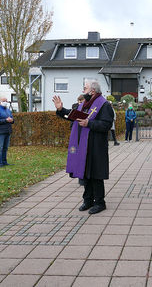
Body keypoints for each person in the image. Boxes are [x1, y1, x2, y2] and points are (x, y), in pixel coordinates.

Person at [53, 81, 113, 214]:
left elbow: (106, 125)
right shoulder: (83, 105)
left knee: (96, 174)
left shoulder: (104, 105)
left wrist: (89, 123)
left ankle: (99, 202)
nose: (83, 90)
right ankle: (88, 200)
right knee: (85, 173)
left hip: (96, 146)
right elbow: (73, 116)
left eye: (84, 88)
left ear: (92, 91)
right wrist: (60, 109)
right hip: (83, 145)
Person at [0, 97, 14, 167]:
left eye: (6, 101)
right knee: (0, 148)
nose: (5, 102)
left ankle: (4, 162)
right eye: (3, 101)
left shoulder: (8, 110)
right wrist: (5, 120)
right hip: (0, 132)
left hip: (7, 131)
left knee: (5, 148)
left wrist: (12, 120)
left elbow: (12, 119)